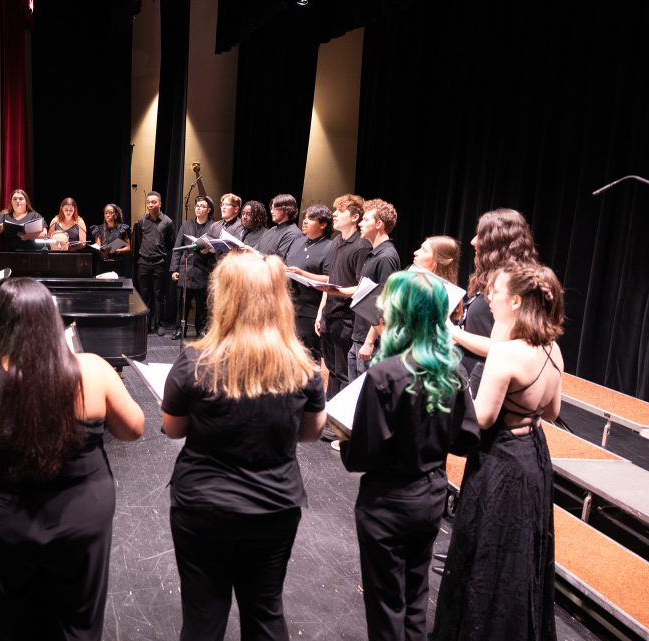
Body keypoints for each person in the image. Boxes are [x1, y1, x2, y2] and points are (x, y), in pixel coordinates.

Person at [0, 278, 144, 641]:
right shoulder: (93, 369)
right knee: (76, 621)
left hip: (3, 521)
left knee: (2, 619)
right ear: (53, 321)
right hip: (80, 517)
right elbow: (133, 428)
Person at [161, 251, 327, 641]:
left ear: (225, 298)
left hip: (203, 507)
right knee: (266, 612)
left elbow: (173, 429)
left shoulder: (194, 362)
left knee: (202, 617)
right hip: (275, 508)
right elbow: (311, 432)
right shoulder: (302, 366)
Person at [340, 270, 479, 641]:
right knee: (417, 596)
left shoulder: (385, 375)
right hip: (431, 497)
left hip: (387, 502)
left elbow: (363, 455)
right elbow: (467, 440)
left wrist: (342, 442)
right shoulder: (452, 372)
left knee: (386, 604)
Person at [432, 264, 565, 641]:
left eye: (497, 291)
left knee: (488, 554)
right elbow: (552, 412)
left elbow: (484, 418)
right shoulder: (552, 349)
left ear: (517, 300)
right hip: (534, 458)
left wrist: (455, 394)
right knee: (520, 556)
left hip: (501, 465)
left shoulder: (505, 354)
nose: (489, 295)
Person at [449, 208, 539, 393]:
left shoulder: (512, 286)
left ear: (498, 242)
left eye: (481, 236)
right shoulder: (491, 279)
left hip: (485, 387)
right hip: (467, 378)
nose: (473, 241)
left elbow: (501, 348)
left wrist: (451, 330)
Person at [315, 194, 371, 402]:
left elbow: (364, 287)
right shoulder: (336, 241)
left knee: (343, 372)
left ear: (355, 217)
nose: (334, 214)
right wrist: (321, 311)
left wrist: (338, 293)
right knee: (330, 368)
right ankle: (328, 413)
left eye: (340, 211)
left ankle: (338, 420)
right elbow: (330, 278)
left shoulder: (362, 245)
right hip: (330, 314)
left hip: (347, 318)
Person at [345, 198, 401, 378]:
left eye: (365, 220)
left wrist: (369, 341)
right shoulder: (374, 253)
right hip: (358, 336)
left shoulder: (386, 257)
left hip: (370, 341)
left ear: (379, 224)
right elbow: (365, 291)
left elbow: (384, 303)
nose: (360, 223)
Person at [284, 204, 334, 360]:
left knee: (307, 356)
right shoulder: (298, 242)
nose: (304, 221)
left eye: (311, 218)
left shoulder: (329, 247)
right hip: (288, 306)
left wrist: (302, 273)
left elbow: (329, 279)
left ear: (323, 224)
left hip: (309, 310)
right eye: (305, 217)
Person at [170, 195, 215, 340]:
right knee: (182, 303)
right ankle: (179, 329)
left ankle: (200, 329)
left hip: (204, 270)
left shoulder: (213, 227)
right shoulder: (186, 224)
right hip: (186, 268)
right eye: (197, 206)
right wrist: (174, 269)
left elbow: (216, 250)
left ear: (209, 210)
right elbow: (178, 247)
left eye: (202, 206)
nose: (198, 208)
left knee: (202, 305)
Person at [133, 191, 175, 335]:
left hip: (159, 263)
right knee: (145, 295)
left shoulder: (167, 222)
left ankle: (160, 324)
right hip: (144, 262)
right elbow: (139, 241)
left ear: (160, 203)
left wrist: (160, 254)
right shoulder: (141, 221)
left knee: (159, 295)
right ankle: (146, 324)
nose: (150, 205)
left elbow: (170, 243)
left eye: (154, 202)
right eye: (149, 202)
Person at [412, 235, 462, 320]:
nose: (416, 252)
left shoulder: (445, 295)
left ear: (438, 259)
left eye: (424, 250)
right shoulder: (413, 279)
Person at [0, 188, 47, 253]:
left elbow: (44, 233)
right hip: (7, 252)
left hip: (30, 252)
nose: (17, 201)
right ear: (11, 202)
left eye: (21, 199)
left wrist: (28, 236)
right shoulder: (4, 214)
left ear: (26, 202)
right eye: (15, 199)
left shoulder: (35, 216)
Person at [90, 203, 131, 276]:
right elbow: (98, 248)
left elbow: (128, 248)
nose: (108, 215)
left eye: (111, 213)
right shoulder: (99, 229)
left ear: (116, 214)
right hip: (103, 265)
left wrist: (117, 251)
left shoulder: (122, 228)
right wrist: (102, 251)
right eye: (106, 213)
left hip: (117, 264)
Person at [257, 193, 302, 258]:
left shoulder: (293, 234)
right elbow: (258, 247)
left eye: (275, 208)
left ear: (286, 210)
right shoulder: (272, 229)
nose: (271, 211)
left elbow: (279, 260)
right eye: (271, 208)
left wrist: (256, 254)